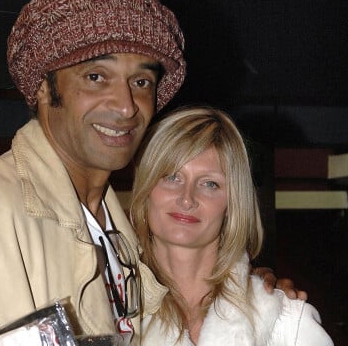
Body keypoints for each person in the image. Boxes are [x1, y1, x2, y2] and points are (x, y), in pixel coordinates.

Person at [0, 0, 299, 346]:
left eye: (142, 81)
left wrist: (251, 300)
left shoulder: (121, 234)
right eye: (96, 77)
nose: (126, 105)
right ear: (42, 88)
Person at [131, 106, 333, 345]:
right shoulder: (110, 313)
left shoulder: (285, 321)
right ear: (146, 188)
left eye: (209, 184)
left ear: (233, 202)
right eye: (172, 177)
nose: (187, 198)